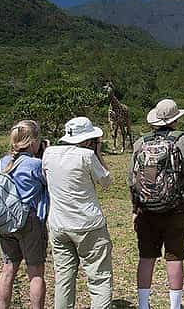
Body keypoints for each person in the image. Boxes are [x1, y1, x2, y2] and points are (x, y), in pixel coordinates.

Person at [128, 99, 184, 309]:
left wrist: (135, 209)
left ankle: (144, 305)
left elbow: (131, 182)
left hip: (146, 210)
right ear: (175, 119)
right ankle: (175, 306)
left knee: (146, 257)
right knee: (175, 257)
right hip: (176, 209)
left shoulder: (139, 144)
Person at [42, 117, 113, 309]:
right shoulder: (86, 156)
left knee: (63, 277)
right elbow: (106, 182)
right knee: (99, 277)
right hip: (88, 225)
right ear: (89, 140)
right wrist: (98, 154)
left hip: (58, 225)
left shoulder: (48, 154)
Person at [0, 120, 49, 309]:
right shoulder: (36, 164)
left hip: (6, 220)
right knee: (35, 273)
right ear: (33, 142)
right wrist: (44, 155)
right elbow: (48, 184)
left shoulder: (3, 161)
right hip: (30, 221)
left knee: (8, 270)